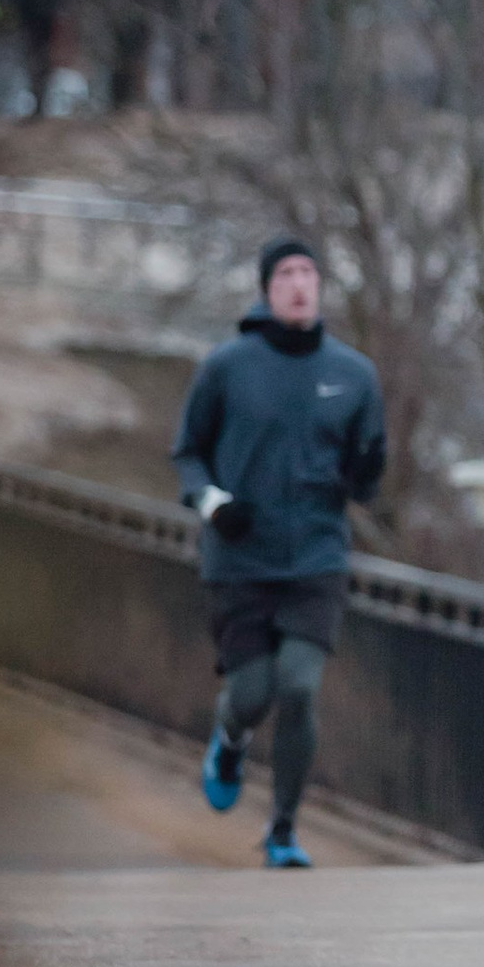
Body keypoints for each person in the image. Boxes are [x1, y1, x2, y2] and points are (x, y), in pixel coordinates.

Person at [172, 236, 388, 868]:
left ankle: (284, 831)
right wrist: (213, 503)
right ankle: (231, 737)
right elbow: (187, 453)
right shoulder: (227, 366)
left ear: (320, 287)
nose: (299, 284)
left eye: (309, 273)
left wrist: (370, 467)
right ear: (267, 288)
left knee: (297, 687)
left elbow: (366, 483)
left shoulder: (354, 375)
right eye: (286, 273)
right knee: (252, 693)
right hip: (239, 557)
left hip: (316, 559)